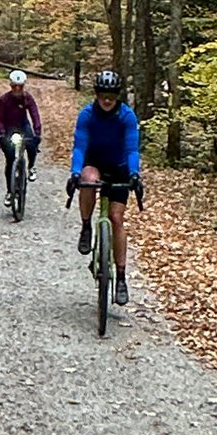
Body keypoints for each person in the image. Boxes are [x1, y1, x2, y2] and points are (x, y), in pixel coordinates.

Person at [66, 69, 142, 303]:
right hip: (95, 162)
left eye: (111, 96)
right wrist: (75, 172)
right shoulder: (87, 115)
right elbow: (80, 146)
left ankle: (121, 278)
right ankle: (86, 226)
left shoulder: (126, 116)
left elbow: (132, 149)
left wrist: (134, 173)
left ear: (117, 96)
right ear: (97, 95)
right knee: (88, 180)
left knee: (116, 218)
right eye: (103, 95)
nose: (107, 100)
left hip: (119, 166)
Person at [0, 66, 43, 196]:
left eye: (20, 86)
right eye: (14, 86)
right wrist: (2, 133)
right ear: (10, 85)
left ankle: (31, 166)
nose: (17, 89)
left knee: (32, 144)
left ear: (23, 86)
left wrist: (37, 131)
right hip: (9, 128)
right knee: (10, 160)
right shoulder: (4, 100)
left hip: (23, 125)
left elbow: (34, 114)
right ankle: (10, 192)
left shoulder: (27, 98)